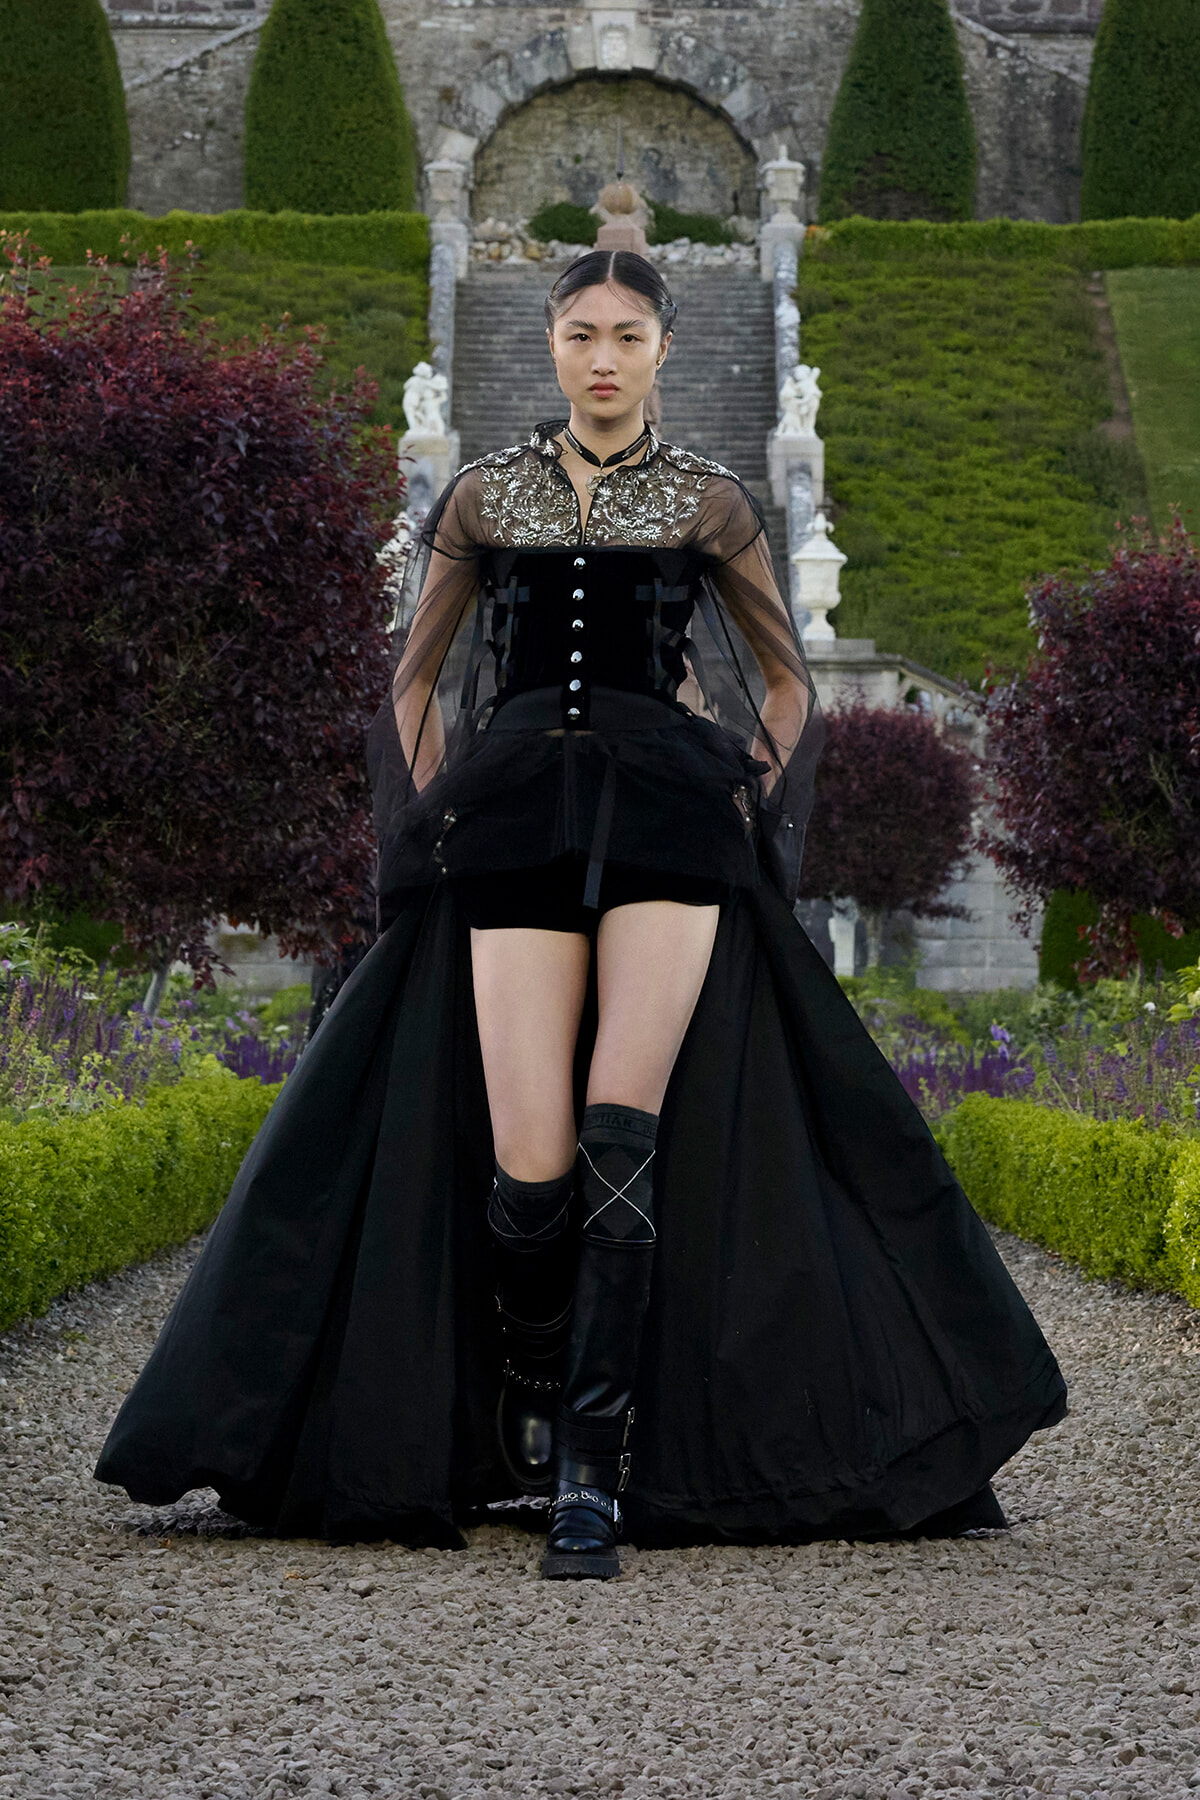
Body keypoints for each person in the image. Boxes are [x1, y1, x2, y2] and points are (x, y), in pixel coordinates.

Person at [96, 252, 1066, 1580]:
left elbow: (789, 686)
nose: (602, 357)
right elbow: (412, 677)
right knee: (529, 1164)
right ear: (550, 347)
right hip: (510, 825)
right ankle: (531, 1414)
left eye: (626, 334)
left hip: (668, 822)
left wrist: (753, 822)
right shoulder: (484, 496)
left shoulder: (714, 503)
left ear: (665, 347)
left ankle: (593, 1480)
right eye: (578, 334)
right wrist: (426, 820)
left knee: (621, 1134)